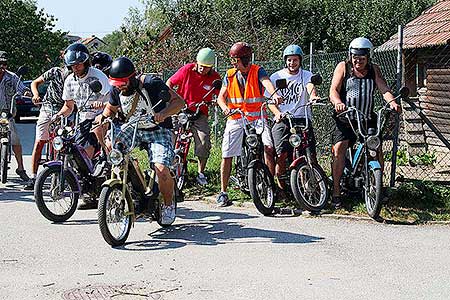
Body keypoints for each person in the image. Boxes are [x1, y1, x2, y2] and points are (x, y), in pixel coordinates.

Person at [95, 57, 184, 225]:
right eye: (116, 83)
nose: (119, 86)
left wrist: (164, 114)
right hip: (131, 128)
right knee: (114, 151)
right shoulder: (116, 89)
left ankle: (167, 204)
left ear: (132, 77)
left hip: (157, 130)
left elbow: (179, 102)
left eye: (122, 82)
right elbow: (111, 109)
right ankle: (131, 189)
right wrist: (103, 117)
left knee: (161, 169)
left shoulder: (151, 83)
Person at [329, 37, 401, 209]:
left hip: (367, 117)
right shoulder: (343, 67)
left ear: (368, 57)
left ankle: (377, 187)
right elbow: (333, 90)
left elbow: (383, 89)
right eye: (355, 57)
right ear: (350, 55)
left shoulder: (374, 70)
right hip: (345, 118)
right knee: (339, 149)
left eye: (361, 58)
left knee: (376, 149)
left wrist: (392, 102)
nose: (358, 61)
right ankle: (336, 192)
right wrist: (338, 102)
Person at [215, 42, 283, 207]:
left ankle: (269, 184)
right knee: (227, 153)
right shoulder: (230, 75)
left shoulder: (257, 71)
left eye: (236, 60)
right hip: (236, 118)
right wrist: (224, 108)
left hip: (258, 116)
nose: (233, 63)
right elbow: (220, 97)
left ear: (245, 60)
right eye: (233, 60)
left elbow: (267, 82)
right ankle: (223, 192)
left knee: (268, 147)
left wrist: (274, 94)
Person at [52, 43, 111, 209]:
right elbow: (69, 106)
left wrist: (102, 105)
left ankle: (93, 188)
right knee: (74, 152)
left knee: (87, 152)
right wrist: (57, 116)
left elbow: (112, 100)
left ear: (86, 62)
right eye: (72, 65)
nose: (76, 68)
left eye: (79, 64)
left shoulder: (98, 76)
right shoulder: (70, 80)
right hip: (83, 120)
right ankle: (88, 187)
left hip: (101, 118)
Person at [267, 44, 320, 196]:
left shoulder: (306, 75)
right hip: (284, 119)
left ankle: (311, 186)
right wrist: (277, 113)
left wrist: (313, 97)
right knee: (281, 153)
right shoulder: (276, 77)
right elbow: (270, 101)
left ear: (300, 60)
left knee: (310, 154)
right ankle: (281, 186)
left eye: (295, 60)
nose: (292, 63)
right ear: (285, 61)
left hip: (303, 118)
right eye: (289, 60)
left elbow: (310, 86)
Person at [166, 47, 221, 185]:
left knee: (203, 141)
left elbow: (220, 94)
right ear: (197, 63)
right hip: (181, 110)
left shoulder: (214, 77)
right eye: (201, 66)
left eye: (207, 67)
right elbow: (170, 83)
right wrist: (171, 98)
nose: (203, 69)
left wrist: (215, 101)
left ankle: (200, 173)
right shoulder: (187, 70)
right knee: (170, 136)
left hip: (199, 113)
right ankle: (168, 168)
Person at [24, 66, 68, 190]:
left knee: (62, 144)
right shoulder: (55, 71)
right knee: (39, 142)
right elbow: (35, 82)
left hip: (65, 111)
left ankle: (61, 175)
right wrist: (36, 95)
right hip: (47, 107)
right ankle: (33, 177)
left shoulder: (77, 77)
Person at [0, 50, 30, 182]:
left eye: (4, 63)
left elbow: (21, 87)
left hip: (7, 112)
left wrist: (27, 92)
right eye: (0, 63)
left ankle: (21, 168)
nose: (2, 66)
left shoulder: (11, 77)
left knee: (16, 140)